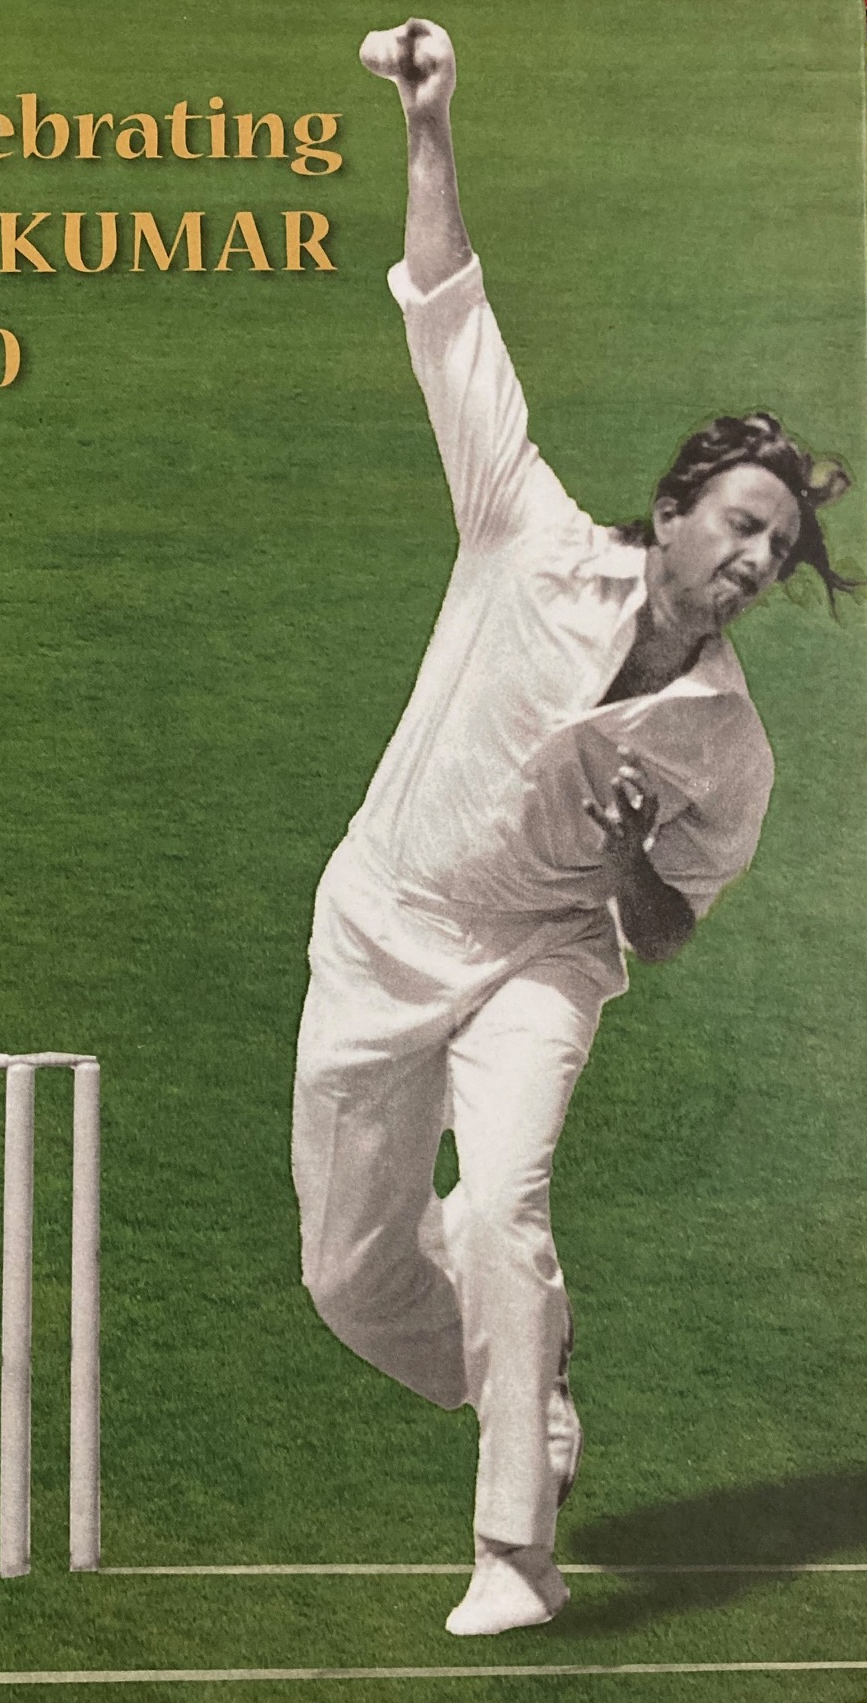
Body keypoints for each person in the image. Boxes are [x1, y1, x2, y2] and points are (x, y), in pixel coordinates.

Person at [290, 16, 854, 1638]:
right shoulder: (519, 533)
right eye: (738, 525)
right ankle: (520, 1380)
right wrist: (426, 122)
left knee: (502, 1208)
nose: (752, 561)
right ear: (670, 513)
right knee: (351, 1276)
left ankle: (513, 1554)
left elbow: (667, 927)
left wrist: (617, 865)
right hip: (382, 923)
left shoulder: (725, 747)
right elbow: (446, 311)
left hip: (543, 952)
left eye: (775, 551)